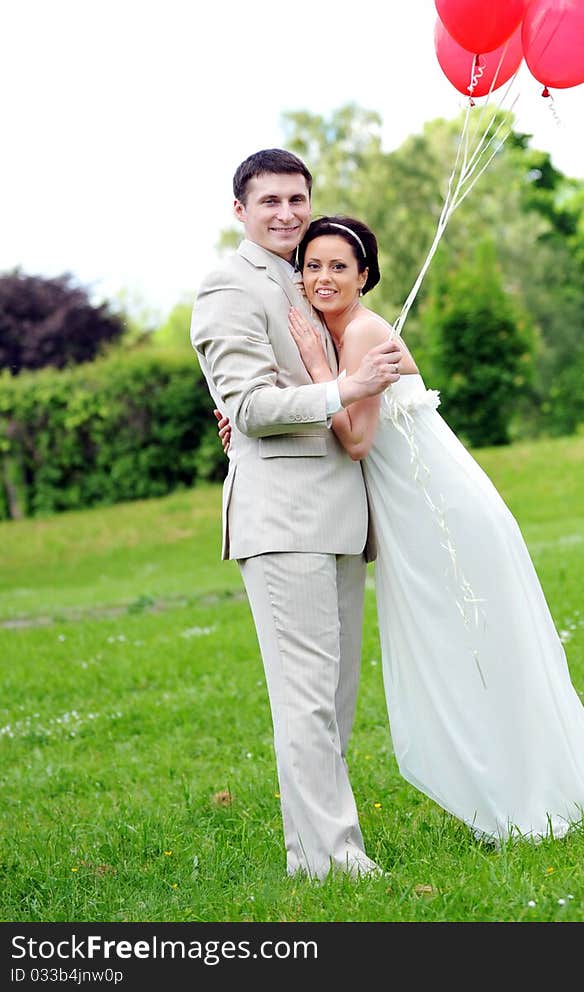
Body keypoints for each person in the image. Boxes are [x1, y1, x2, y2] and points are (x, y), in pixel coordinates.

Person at [217, 212, 584, 845]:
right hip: (411, 524)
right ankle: (508, 791)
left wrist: (319, 377)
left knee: (484, 656)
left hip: (445, 521)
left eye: (339, 267)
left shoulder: (359, 334)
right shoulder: (331, 338)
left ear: (365, 276)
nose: (322, 277)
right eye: (312, 266)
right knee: (453, 661)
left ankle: (536, 796)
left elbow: (355, 440)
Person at [190, 150, 404, 881]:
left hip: (341, 513)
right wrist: (341, 392)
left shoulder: (310, 271)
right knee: (307, 702)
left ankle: (311, 854)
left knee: (335, 702)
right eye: (271, 200)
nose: (286, 212)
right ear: (241, 210)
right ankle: (335, 860)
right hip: (285, 522)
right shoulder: (228, 285)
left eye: (298, 199)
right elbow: (247, 404)